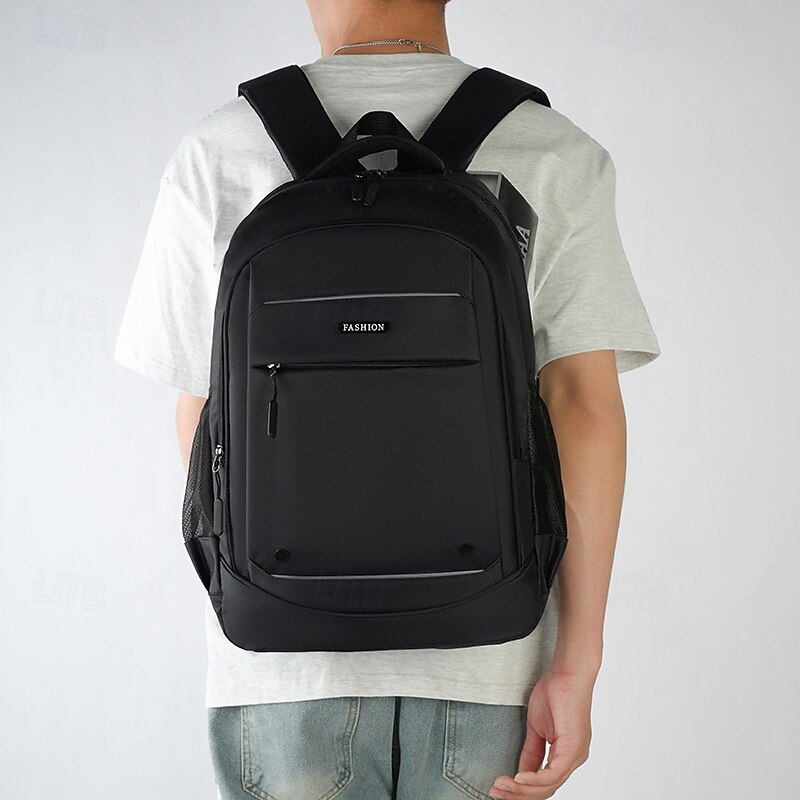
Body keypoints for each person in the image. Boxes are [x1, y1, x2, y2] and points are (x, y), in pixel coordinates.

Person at [113, 0, 661, 797]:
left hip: (284, 668)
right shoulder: (552, 148)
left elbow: (201, 420)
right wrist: (578, 660)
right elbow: (583, 408)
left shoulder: (219, 150)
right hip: (489, 662)